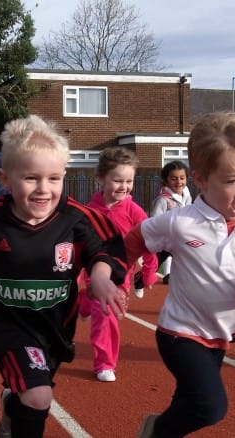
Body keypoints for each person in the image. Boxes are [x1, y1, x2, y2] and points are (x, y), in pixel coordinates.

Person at [0, 115, 128, 438]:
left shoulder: (76, 218)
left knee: (33, 393)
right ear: (6, 179)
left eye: (53, 178)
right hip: (2, 318)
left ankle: (10, 410)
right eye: (31, 178)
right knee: (38, 396)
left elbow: (105, 248)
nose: (43, 189)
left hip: (54, 323)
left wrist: (101, 277)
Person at [124, 111, 235, 437]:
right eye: (232, 180)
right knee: (210, 406)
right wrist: (117, 278)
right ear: (199, 178)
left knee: (188, 402)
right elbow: (133, 240)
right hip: (179, 332)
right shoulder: (180, 221)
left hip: (221, 336)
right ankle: (156, 430)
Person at [78, 147, 157, 382]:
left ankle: (86, 301)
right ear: (101, 179)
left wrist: (150, 271)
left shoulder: (134, 211)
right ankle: (104, 363)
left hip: (121, 275)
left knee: (108, 311)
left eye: (129, 181)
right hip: (93, 271)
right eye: (118, 180)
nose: (124, 186)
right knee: (105, 312)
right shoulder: (88, 211)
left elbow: (150, 240)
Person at [149, 160, 192, 285]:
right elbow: (155, 218)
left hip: (181, 234)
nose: (179, 182)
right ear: (166, 180)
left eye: (182, 178)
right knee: (157, 261)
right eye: (174, 179)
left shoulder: (187, 196)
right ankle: (141, 278)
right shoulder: (163, 200)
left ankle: (170, 274)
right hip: (166, 236)